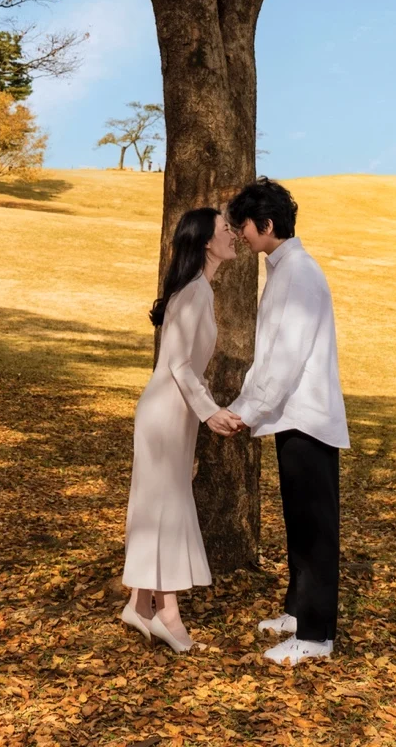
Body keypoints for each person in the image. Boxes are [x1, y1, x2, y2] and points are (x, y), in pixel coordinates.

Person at [227, 177, 349, 665]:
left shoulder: (297, 273)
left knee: (315, 528)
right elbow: (268, 356)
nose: (239, 235)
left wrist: (247, 412)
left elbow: (285, 359)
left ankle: (316, 637)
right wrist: (244, 405)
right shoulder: (283, 269)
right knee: (299, 523)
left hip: (307, 418)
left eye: (243, 226)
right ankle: (299, 614)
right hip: (292, 416)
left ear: (266, 224)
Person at [121, 207, 245, 652]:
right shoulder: (193, 292)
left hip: (175, 413)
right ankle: (168, 615)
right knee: (166, 506)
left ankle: (140, 604)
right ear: (206, 242)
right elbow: (177, 363)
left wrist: (209, 409)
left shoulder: (198, 290)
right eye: (225, 229)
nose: (233, 234)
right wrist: (209, 412)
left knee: (159, 503)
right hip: (164, 414)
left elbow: (188, 367)